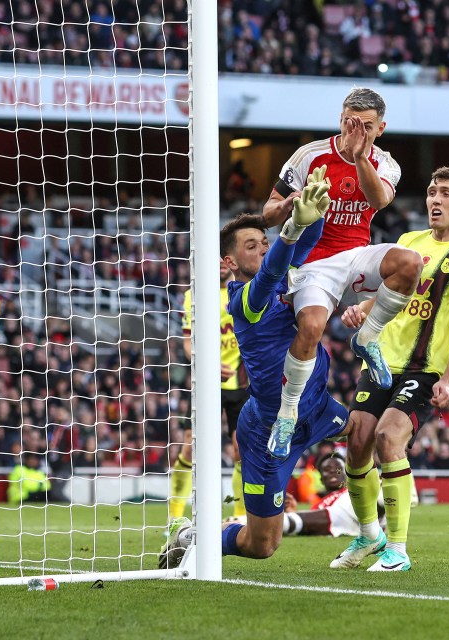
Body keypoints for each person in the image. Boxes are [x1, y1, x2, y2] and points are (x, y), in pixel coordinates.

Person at [160, 169, 353, 566]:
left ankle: (374, 532)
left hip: (313, 406)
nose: (263, 250)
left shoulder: (282, 271)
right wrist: (292, 228)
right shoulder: (245, 298)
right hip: (267, 431)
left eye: (265, 242)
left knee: (375, 430)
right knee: (262, 545)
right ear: (229, 261)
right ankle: (194, 535)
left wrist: (313, 216)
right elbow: (273, 267)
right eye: (252, 246)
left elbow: (303, 248)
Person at [331, 167, 449, 572]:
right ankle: (369, 534)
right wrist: (361, 309)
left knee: (388, 438)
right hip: (382, 360)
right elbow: (390, 295)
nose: (435, 200)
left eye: (446, 194)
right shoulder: (407, 243)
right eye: (432, 192)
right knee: (358, 443)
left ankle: (397, 550)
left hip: (425, 368)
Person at [260, 87, 422, 459]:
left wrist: (360, 157)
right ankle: (287, 413)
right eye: (352, 123)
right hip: (314, 263)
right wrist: (289, 204)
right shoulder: (310, 155)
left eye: (367, 126)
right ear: (340, 120)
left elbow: (378, 200)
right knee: (312, 329)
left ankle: (368, 337)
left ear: (381, 128)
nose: (358, 132)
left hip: (356, 256)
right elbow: (267, 212)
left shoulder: (384, 162)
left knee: (411, 263)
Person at [168, 258, 249, 524]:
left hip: (242, 383)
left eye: (223, 260)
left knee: (242, 448)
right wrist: (210, 363)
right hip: (205, 382)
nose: (219, 266)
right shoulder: (194, 295)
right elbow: (188, 345)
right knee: (190, 448)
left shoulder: (246, 291)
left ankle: (239, 515)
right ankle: (175, 519)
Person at [281, 452, 387, 538]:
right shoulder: (319, 506)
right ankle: (271, 522)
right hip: (343, 520)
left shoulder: (350, 492)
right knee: (288, 522)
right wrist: (293, 512)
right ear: (321, 479)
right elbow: (313, 524)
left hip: (360, 504)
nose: (332, 471)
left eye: (338, 468)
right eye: (327, 469)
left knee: (376, 493)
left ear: (345, 473)